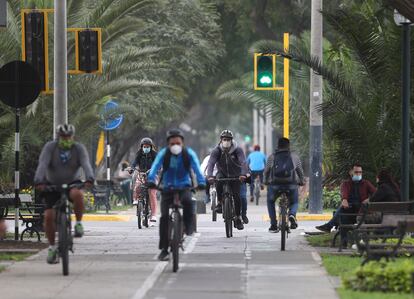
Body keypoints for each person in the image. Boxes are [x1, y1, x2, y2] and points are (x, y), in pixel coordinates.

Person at [34, 124, 95, 264]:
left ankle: (78, 223)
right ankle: (52, 247)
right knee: (49, 216)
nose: (66, 139)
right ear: (58, 136)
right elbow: (42, 164)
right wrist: (38, 180)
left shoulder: (78, 148)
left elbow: (86, 164)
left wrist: (90, 178)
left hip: (72, 183)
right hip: (52, 185)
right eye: (63, 137)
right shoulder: (50, 148)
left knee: (78, 195)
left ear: (73, 136)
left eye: (68, 136)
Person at [146, 129, 205, 261]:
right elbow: (155, 167)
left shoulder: (188, 154)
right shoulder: (163, 154)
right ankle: (164, 249)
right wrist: (150, 180)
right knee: (164, 218)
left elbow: (197, 169)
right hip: (167, 187)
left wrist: (201, 182)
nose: (175, 146)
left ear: (182, 143)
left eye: (177, 143)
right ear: (168, 144)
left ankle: (188, 227)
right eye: (172, 143)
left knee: (189, 202)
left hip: (184, 186)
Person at [315, 163, 376, 245]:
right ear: (351, 172)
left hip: (362, 212)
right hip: (349, 210)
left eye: (360, 172)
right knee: (343, 216)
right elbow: (344, 194)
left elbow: (376, 193)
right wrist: (344, 199)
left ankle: (329, 226)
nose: (358, 174)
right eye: (356, 172)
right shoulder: (346, 183)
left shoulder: (366, 183)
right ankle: (343, 243)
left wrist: (369, 199)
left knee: (342, 212)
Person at [207, 130, 248, 230]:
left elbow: (243, 162)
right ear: (221, 140)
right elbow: (211, 163)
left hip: (236, 175)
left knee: (237, 195)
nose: (226, 141)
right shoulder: (216, 150)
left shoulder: (237, 150)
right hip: (222, 173)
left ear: (232, 140)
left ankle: (238, 217)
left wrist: (243, 174)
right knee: (218, 181)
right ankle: (220, 202)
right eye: (224, 139)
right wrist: (210, 176)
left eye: (228, 139)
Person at [264, 137, 305, 233]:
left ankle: (273, 224)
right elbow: (300, 171)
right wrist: (301, 181)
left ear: (278, 145)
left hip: (275, 185)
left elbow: (266, 171)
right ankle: (292, 214)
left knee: (270, 201)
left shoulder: (272, 157)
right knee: (294, 201)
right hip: (291, 185)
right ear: (288, 146)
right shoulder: (294, 157)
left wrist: (266, 181)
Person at [130, 137, 158, 225]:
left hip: (152, 175)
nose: (146, 148)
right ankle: (136, 199)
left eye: (148, 146)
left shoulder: (154, 154)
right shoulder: (139, 154)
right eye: (144, 146)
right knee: (137, 185)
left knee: (152, 193)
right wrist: (132, 168)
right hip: (141, 173)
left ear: (151, 146)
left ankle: (153, 215)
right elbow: (134, 162)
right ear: (142, 146)